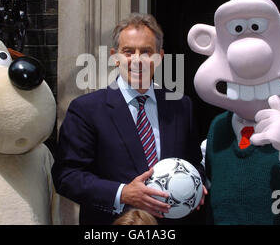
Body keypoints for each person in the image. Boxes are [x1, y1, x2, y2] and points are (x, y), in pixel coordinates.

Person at [52, 13, 206, 225]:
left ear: (159, 57)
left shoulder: (181, 105)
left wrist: (195, 185)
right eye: (128, 51)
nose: (137, 59)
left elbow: (194, 163)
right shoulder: (86, 110)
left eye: (146, 51)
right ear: (115, 57)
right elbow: (67, 176)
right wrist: (122, 193)